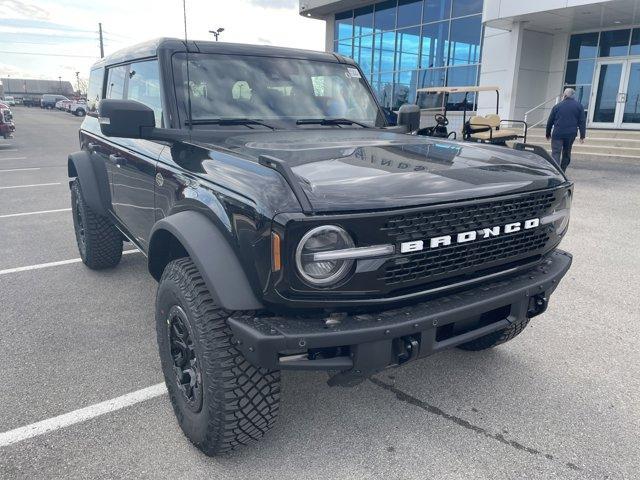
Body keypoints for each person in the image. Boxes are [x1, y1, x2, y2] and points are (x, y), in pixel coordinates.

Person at [546, 88, 586, 171]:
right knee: (566, 153)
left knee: (556, 153)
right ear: (573, 96)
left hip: (558, 133)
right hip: (570, 134)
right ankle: (563, 170)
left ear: (564, 95)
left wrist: (548, 133)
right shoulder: (579, 106)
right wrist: (582, 136)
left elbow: (550, 121)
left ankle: (556, 171)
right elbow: (582, 122)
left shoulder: (557, 106)